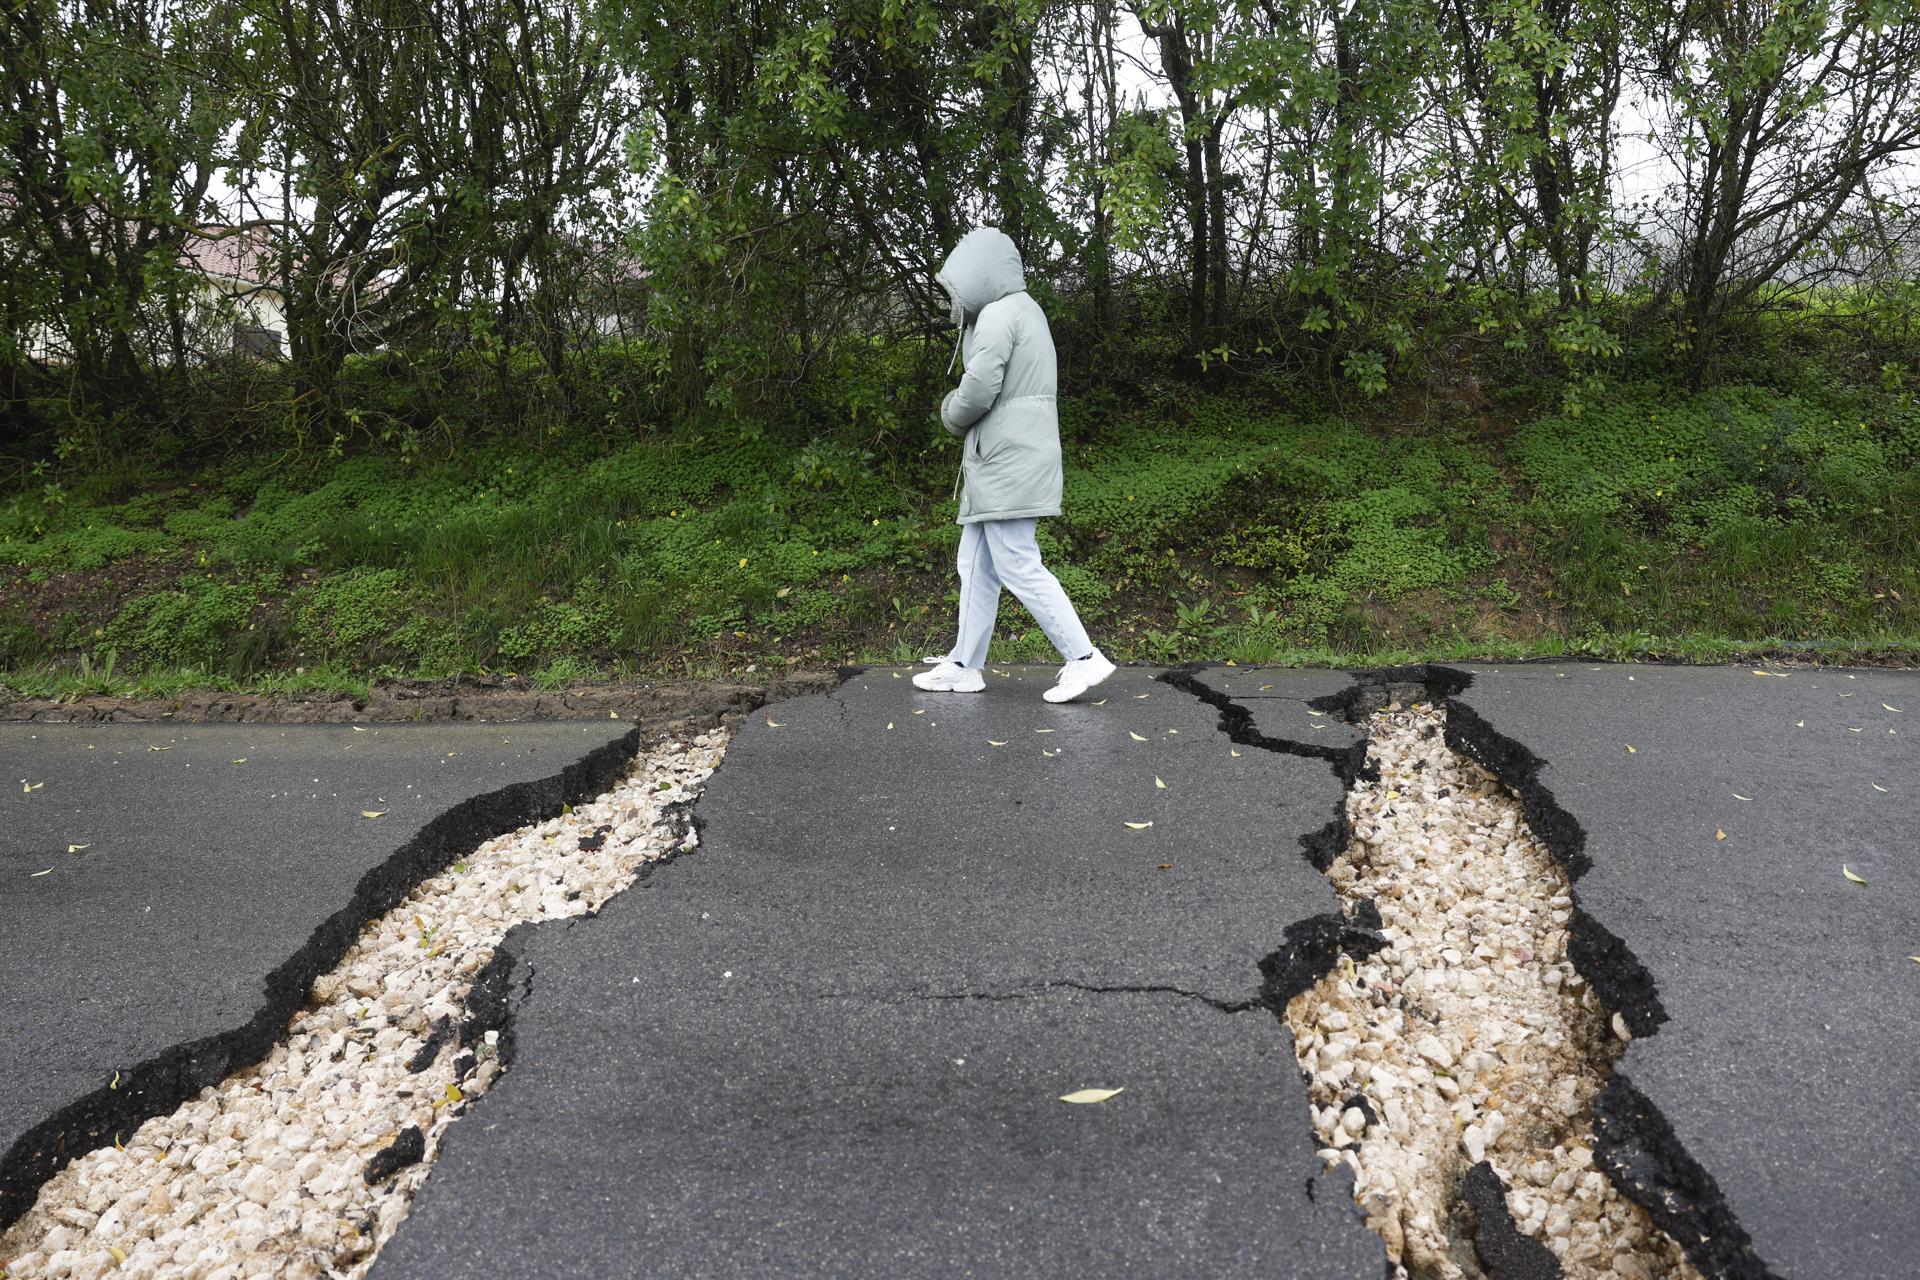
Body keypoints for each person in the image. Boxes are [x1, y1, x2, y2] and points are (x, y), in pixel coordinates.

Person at [912, 226, 1116, 704]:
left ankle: (1084, 658)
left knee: (1017, 562)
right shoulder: (1026, 309)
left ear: (976, 276)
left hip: (1007, 462)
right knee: (975, 564)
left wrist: (949, 412)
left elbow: (979, 390)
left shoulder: (1000, 314)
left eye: (955, 290)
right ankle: (964, 665)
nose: (953, 301)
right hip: (1006, 461)